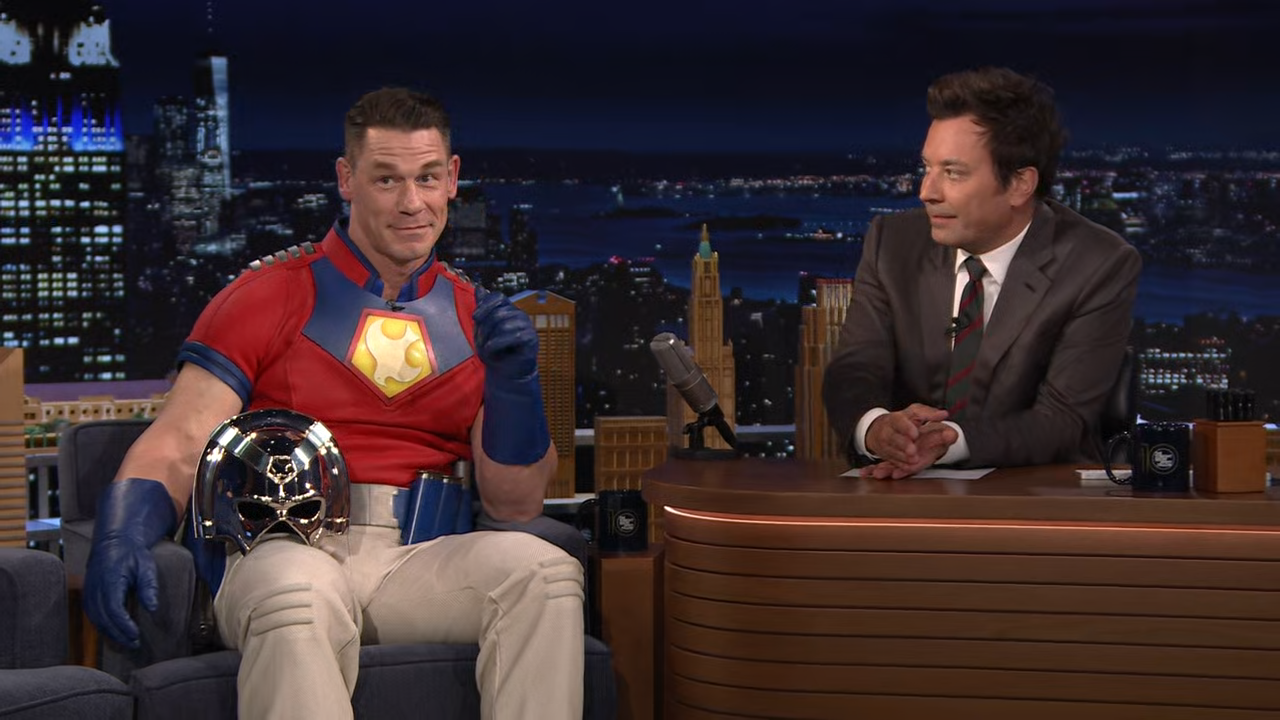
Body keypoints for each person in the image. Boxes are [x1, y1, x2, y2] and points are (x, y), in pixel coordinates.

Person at [82, 88, 585, 719]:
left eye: (428, 178)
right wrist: (123, 528)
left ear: (453, 178)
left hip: (419, 559)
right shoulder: (265, 295)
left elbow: (515, 504)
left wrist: (515, 383)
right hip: (284, 549)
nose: (412, 203)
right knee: (298, 593)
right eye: (387, 179)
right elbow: (182, 440)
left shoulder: (478, 317)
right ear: (347, 179)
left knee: (545, 574)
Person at [823, 67, 1141, 479]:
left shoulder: (1097, 263)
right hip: (902, 489)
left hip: (1033, 495)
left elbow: (1061, 419)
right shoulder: (892, 243)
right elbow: (854, 369)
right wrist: (876, 427)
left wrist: (948, 441)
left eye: (953, 173)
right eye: (926, 168)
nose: (926, 192)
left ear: (1020, 184)